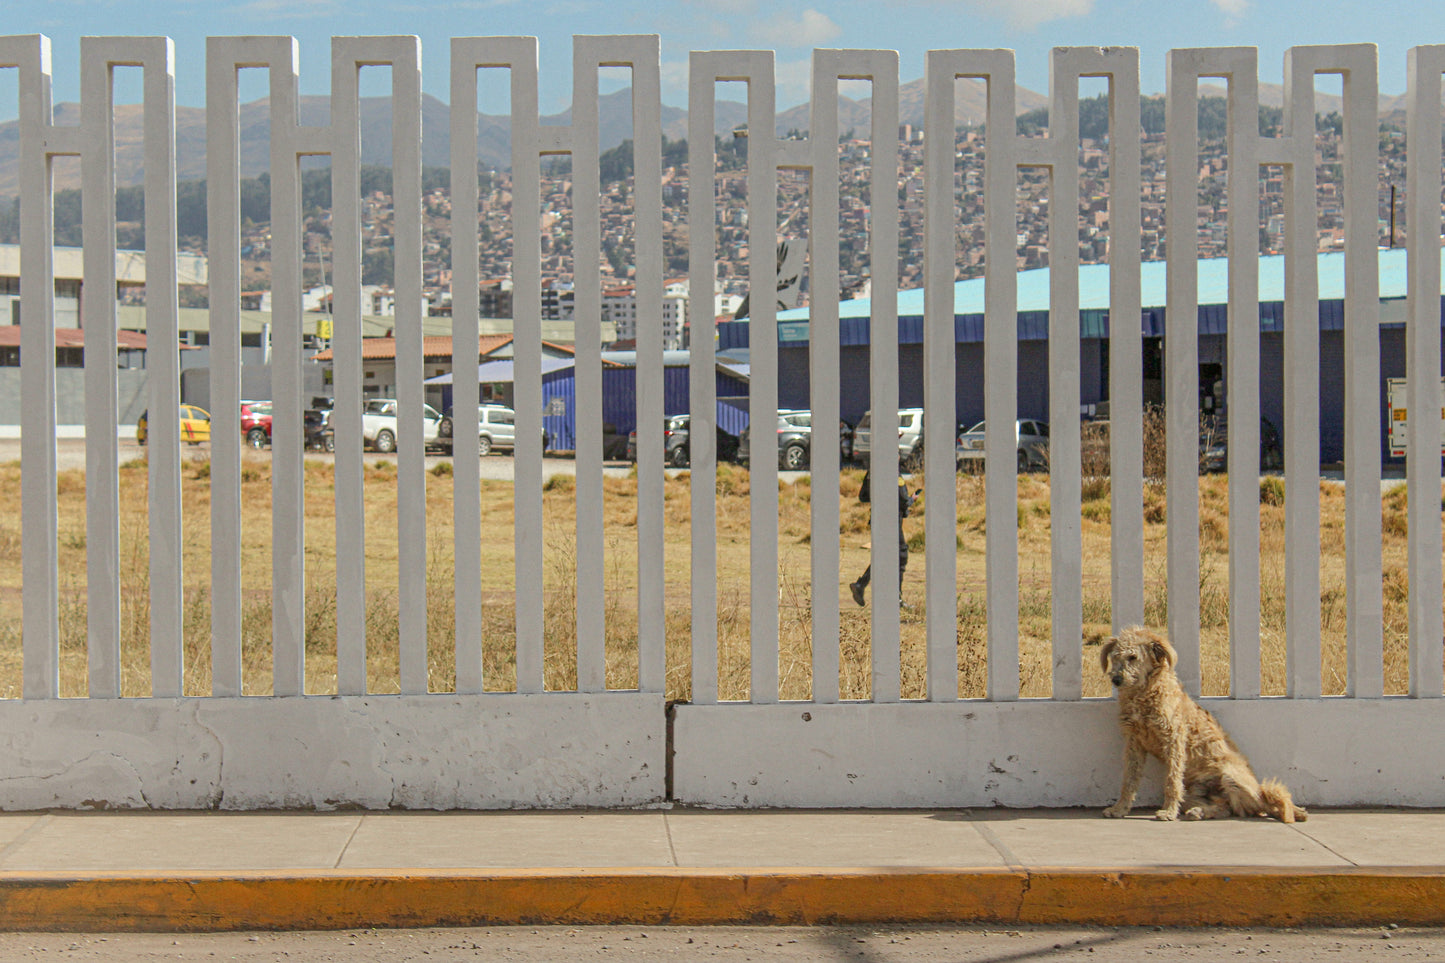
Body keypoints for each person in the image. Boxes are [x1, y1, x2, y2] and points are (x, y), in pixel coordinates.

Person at [849, 468, 913, 607]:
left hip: (878, 519)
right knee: (901, 555)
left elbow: (863, 496)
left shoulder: (872, 471)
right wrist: (911, 500)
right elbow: (903, 499)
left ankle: (861, 584)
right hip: (892, 520)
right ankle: (897, 598)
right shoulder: (893, 471)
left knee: (884, 556)